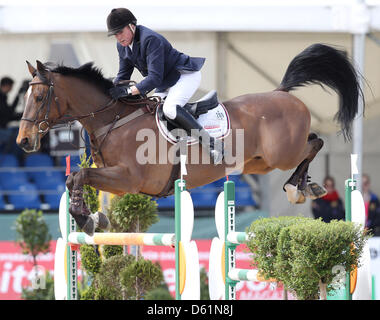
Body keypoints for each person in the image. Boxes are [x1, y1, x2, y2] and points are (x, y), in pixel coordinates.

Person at [106, 8, 224, 164]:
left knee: (170, 109)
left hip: (184, 75)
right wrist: (110, 91)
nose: (118, 37)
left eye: (120, 32)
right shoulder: (122, 46)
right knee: (152, 111)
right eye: (115, 34)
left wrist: (129, 91)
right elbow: (123, 75)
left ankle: (213, 145)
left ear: (131, 26)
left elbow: (154, 78)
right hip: (165, 82)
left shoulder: (150, 39)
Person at [0, 77, 23, 152]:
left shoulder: (3, 97)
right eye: (11, 87)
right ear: (6, 86)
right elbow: (8, 114)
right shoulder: (1, 97)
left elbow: (9, 112)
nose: (11, 89)